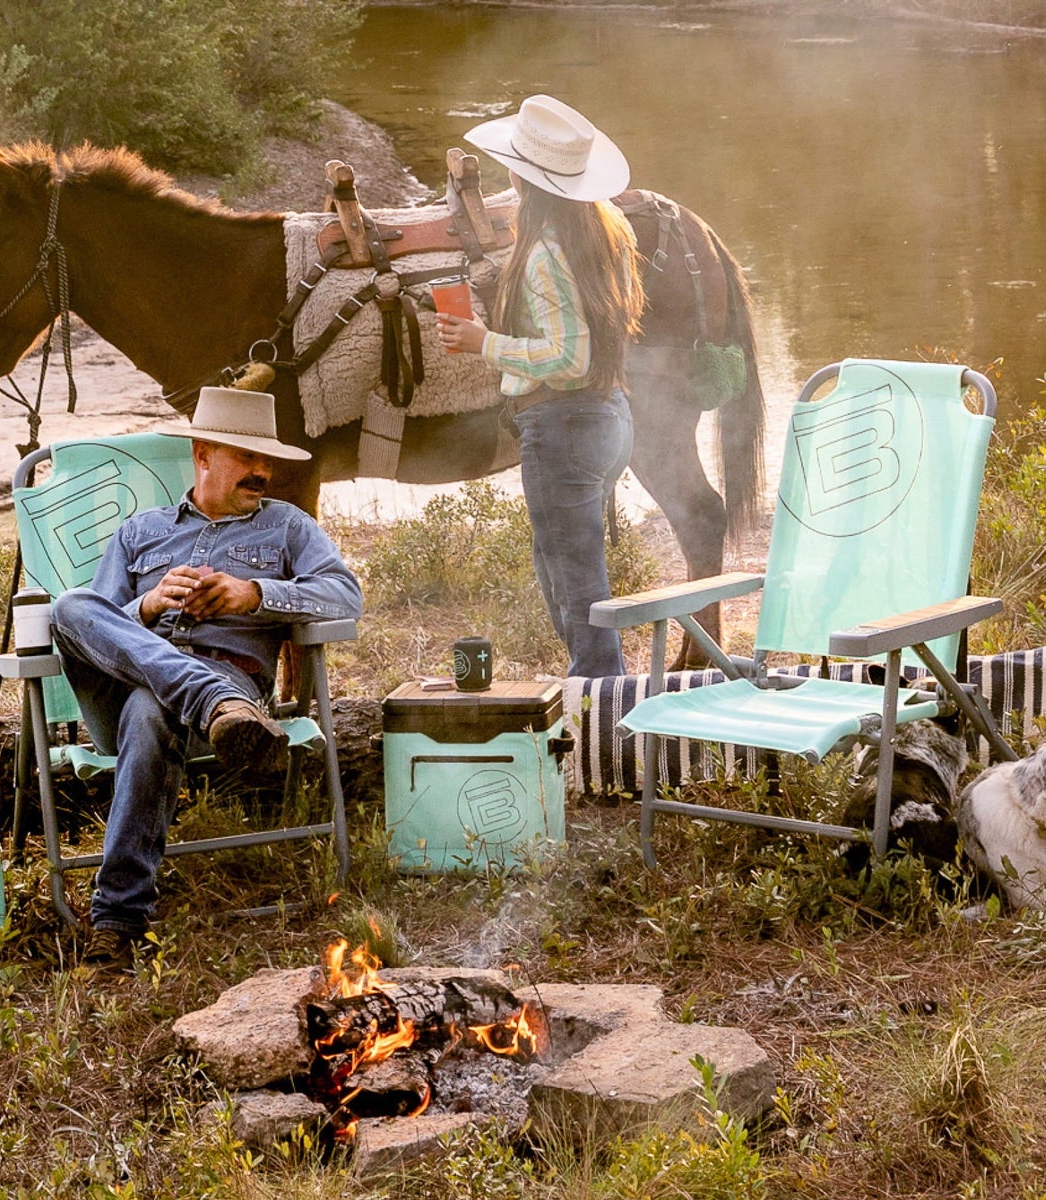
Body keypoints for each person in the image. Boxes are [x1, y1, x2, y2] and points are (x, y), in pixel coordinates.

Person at [45, 386, 363, 964]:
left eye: (268, 460)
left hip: (228, 683)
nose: (262, 471)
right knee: (69, 606)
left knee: (151, 708)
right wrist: (147, 606)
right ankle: (206, 699)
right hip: (135, 691)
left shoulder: (287, 527)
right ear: (203, 453)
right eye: (247, 456)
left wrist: (253, 593)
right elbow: (90, 623)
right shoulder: (139, 533)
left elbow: (345, 596)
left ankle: (117, 922)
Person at [426, 94, 650, 679]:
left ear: (522, 177)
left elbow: (568, 358)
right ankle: (596, 688)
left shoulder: (546, 250)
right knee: (563, 564)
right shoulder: (608, 232)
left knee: (574, 578)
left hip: (565, 423)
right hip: (608, 416)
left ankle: (601, 697)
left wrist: (484, 341)